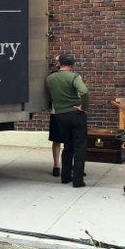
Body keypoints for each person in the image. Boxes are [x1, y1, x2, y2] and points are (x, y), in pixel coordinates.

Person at [45, 53, 89, 188]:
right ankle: (78, 181)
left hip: (60, 115)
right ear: (71, 65)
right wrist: (83, 107)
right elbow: (84, 91)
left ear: (60, 63)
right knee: (79, 148)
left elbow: (49, 97)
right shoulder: (74, 77)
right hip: (76, 113)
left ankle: (65, 177)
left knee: (67, 146)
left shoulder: (50, 78)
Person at [48, 56, 62, 177]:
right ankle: (64, 165)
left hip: (56, 112)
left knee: (56, 141)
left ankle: (56, 166)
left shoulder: (50, 78)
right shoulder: (75, 77)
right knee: (70, 141)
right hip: (68, 112)